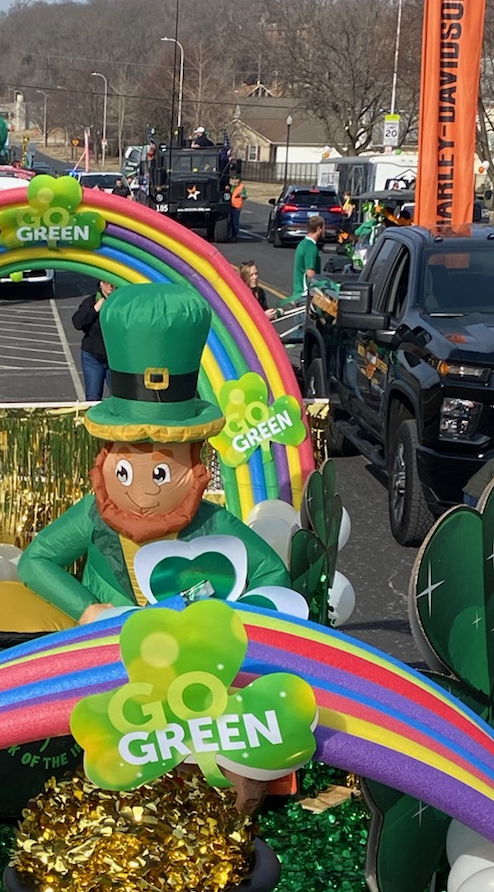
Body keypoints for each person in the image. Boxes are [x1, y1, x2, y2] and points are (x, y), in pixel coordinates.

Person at [19, 284, 289, 628]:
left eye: (161, 472)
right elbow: (36, 560)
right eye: (126, 472)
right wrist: (86, 608)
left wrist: (232, 619)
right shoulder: (94, 515)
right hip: (105, 652)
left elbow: (272, 572)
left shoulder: (210, 523)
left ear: (193, 464)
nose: (142, 493)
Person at [72, 280, 115, 400]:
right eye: (106, 282)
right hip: (93, 357)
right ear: (100, 284)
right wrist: (95, 309)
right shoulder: (91, 301)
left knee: (118, 398)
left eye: (112, 282)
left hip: (115, 358)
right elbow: (78, 323)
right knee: (92, 398)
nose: (109, 285)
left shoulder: (122, 304)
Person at [292, 214, 325, 298]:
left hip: (298, 293)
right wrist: (320, 293)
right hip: (306, 295)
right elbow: (310, 274)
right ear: (318, 229)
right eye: (323, 228)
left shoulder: (303, 243)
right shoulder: (310, 247)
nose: (324, 230)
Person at [228, 176, 248, 241]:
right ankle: (230, 234)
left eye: (237, 179)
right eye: (234, 179)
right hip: (230, 206)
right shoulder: (232, 187)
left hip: (237, 207)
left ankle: (235, 235)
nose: (235, 181)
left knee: (235, 222)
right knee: (229, 221)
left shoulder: (241, 187)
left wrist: (242, 195)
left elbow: (245, 196)